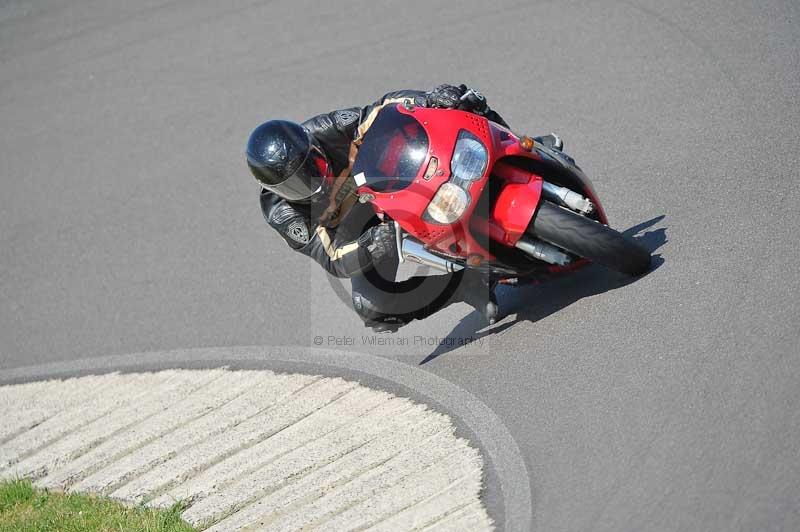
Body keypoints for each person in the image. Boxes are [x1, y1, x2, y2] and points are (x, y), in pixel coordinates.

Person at [247, 84, 565, 332]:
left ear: (312, 146)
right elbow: (331, 257)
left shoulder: (325, 129)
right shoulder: (281, 213)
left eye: (312, 164)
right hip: (368, 229)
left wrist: (427, 99)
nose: (312, 178)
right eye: (295, 184)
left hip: (390, 184)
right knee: (371, 307)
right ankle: (464, 285)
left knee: (461, 101)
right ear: (277, 190)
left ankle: (520, 148)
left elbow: (382, 111)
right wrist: (370, 245)